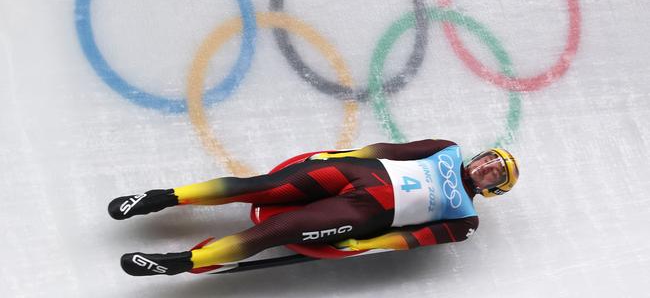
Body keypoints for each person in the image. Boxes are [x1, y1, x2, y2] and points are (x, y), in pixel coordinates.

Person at [109, 139, 519, 276]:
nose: (484, 167)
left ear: (492, 189)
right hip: (356, 172)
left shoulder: (465, 219)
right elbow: (391, 149)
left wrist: (363, 246)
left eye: (493, 174)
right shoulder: (447, 149)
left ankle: (180, 261)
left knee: (274, 232)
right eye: (488, 159)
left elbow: (414, 238)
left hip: (363, 214)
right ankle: (163, 197)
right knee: (258, 187)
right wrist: (343, 154)